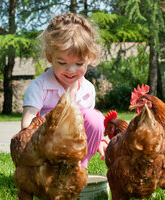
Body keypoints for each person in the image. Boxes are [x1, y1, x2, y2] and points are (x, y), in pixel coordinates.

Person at [21, 13, 107, 168]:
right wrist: (57, 116)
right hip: (44, 151)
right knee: (68, 113)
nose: (71, 70)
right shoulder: (39, 86)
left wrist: (99, 139)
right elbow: (27, 125)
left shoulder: (87, 89)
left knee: (95, 118)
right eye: (62, 62)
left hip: (73, 150)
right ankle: (50, 170)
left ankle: (80, 167)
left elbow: (88, 126)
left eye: (79, 63)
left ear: (89, 59)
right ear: (49, 56)